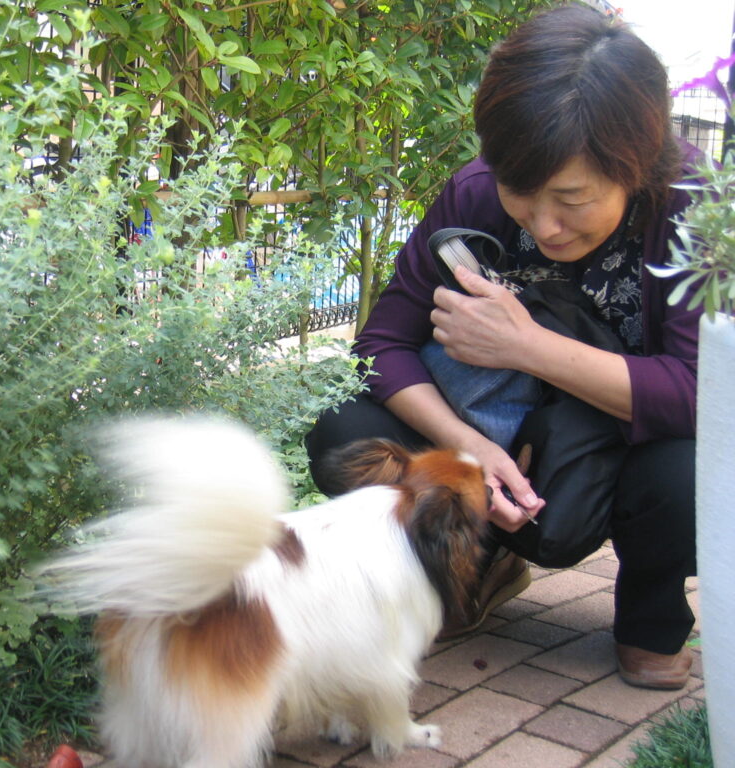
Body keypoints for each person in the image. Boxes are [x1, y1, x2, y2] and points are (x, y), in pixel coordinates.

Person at [305, 3, 702, 690]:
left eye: (571, 199)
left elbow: (704, 393)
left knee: (691, 468)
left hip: (615, 454)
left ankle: (651, 617)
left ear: (633, 166)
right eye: (520, 192)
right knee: (346, 428)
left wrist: (527, 346)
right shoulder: (475, 193)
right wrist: (466, 451)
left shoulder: (693, 208)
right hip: (494, 437)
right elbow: (381, 345)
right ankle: (471, 568)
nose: (544, 226)